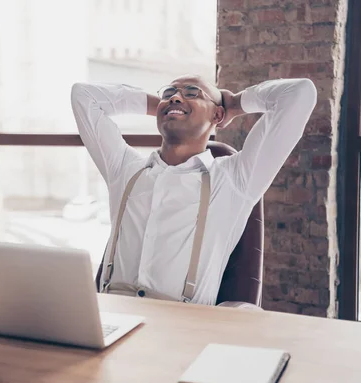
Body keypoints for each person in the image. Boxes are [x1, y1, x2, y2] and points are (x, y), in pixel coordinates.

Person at [70, 76, 317, 306]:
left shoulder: (236, 178)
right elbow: (83, 95)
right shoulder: (124, 168)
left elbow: (299, 93)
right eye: (169, 92)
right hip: (112, 314)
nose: (176, 97)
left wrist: (234, 103)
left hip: (184, 328)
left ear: (218, 116)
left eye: (193, 93)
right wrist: (164, 105)